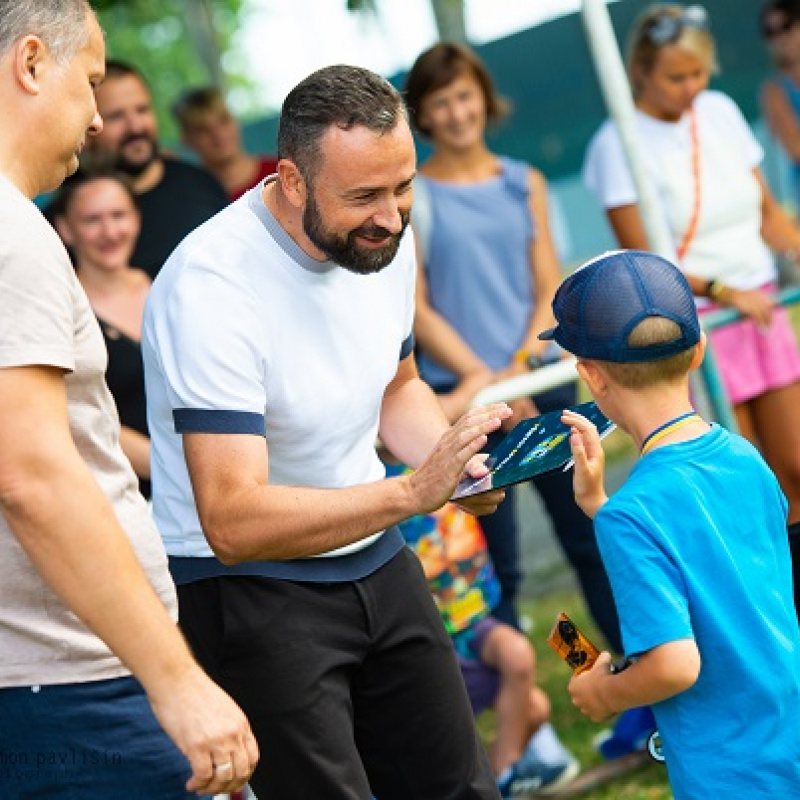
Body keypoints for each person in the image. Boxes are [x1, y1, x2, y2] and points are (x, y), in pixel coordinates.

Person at [143, 63, 513, 800]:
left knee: (459, 786)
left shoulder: (385, 238)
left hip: (377, 556)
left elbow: (398, 386)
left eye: (403, 186)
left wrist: (457, 465)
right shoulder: (210, 287)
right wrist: (413, 491)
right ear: (291, 179)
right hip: (246, 589)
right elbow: (233, 519)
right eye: (364, 196)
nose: (390, 215)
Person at [0, 2, 258, 798]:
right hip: (77, 677)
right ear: (32, 63)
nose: (97, 121)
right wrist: (174, 679)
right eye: (92, 84)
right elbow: (33, 476)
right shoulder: (12, 235)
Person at [539, 248, 800, 800]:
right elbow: (723, 565)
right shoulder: (745, 456)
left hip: (729, 769)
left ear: (591, 378)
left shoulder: (635, 514)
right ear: (699, 349)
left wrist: (604, 695)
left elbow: (675, 665)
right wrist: (601, 510)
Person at [403, 42, 622, 650]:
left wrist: (521, 370)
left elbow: (546, 282)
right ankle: (541, 708)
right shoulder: (414, 195)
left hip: (540, 383)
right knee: (501, 573)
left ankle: (630, 682)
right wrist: (490, 384)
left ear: (485, 98)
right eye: (440, 102)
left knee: (586, 541)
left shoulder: (524, 183)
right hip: (467, 403)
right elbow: (417, 307)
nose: (456, 113)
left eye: (465, 96)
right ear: (423, 113)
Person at [582, 2, 800, 613]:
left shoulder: (721, 113)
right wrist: (723, 291)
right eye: (676, 77)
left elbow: (768, 216)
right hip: (699, 328)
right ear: (642, 73)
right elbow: (643, 259)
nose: (691, 89)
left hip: (761, 310)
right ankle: (760, 610)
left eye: (698, 74)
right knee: (738, 486)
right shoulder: (614, 143)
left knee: (793, 468)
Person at [382, 459, 579, 798]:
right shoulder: (367, 475)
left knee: (532, 695)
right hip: (420, 638)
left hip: (472, 622)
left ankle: (501, 776)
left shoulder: (437, 452)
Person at [52, 169, 152, 497]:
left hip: (197, 493)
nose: (109, 232)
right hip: (115, 493)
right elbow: (76, 414)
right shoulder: (61, 308)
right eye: (92, 220)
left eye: (119, 215)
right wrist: (174, 463)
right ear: (65, 229)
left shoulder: (168, 287)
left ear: (137, 220)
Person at [82, 60, 229, 278]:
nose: (135, 126)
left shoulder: (200, 183)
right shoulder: (73, 218)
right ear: (90, 127)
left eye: (142, 110)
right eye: (116, 116)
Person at [172, 85, 279, 201]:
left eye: (224, 121)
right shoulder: (190, 197)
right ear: (187, 140)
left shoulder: (282, 172)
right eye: (203, 130)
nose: (218, 135)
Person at [760, 0, 800, 215]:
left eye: (786, 26)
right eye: (770, 32)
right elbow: (796, 149)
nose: (779, 38)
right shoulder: (773, 90)